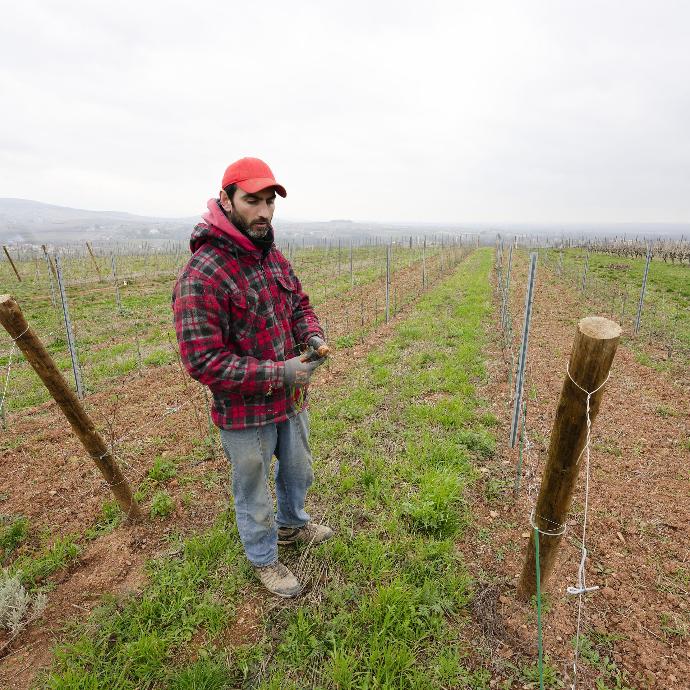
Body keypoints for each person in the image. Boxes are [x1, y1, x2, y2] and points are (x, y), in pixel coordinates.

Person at [172, 157, 334, 597]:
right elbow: (203, 362)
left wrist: (312, 335)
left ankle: (293, 526)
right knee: (254, 489)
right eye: (251, 200)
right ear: (226, 200)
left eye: (269, 201)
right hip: (244, 411)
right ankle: (264, 559)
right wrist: (280, 372)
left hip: (289, 401)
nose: (263, 211)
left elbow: (298, 303)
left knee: (298, 472)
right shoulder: (202, 274)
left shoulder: (270, 256)